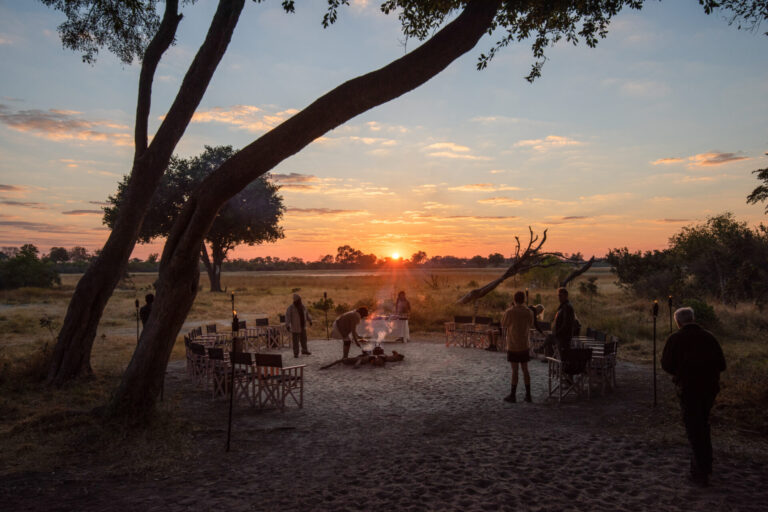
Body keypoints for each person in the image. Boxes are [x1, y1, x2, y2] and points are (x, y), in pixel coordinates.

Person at [661, 307, 726, 487]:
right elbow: (722, 364)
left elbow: (666, 364)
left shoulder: (675, 339)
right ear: (693, 318)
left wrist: (680, 373)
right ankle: (704, 464)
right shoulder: (709, 337)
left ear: (678, 322)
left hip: (689, 388)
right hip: (709, 388)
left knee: (694, 428)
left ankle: (701, 470)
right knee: (703, 424)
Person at [501, 291, 534, 403]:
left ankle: (513, 395)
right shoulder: (528, 312)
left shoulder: (510, 312)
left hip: (513, 344)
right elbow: (531, 324)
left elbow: (504, 324)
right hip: (524, 344)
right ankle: (528, 395)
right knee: (525, 370)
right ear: (523, 299)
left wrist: (509, 309)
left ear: (514, 299)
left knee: (515, 371)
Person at [543, 288, 575, 357]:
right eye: (558, 296)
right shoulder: (563, 306)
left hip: (563, 336)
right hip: (560, 335)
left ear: (566, 296)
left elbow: (566, 323)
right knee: (549, 338)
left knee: (563, 355)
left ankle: (544, 351)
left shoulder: (567, 307)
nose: (559, 298)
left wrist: (558, 333)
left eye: (560, 296)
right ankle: (546, 353)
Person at [285, 293, 313, 358]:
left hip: (303, 326)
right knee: (295, 341)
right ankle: (296, 353)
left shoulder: (303, 307)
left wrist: (310, 320)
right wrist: (287, 325)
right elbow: (287, 317)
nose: (300, 301)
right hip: (295, 327)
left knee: (304, 339)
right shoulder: (291, 308)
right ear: (296, 300)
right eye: (299, 300)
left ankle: (304, 350)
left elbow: (307, 314)